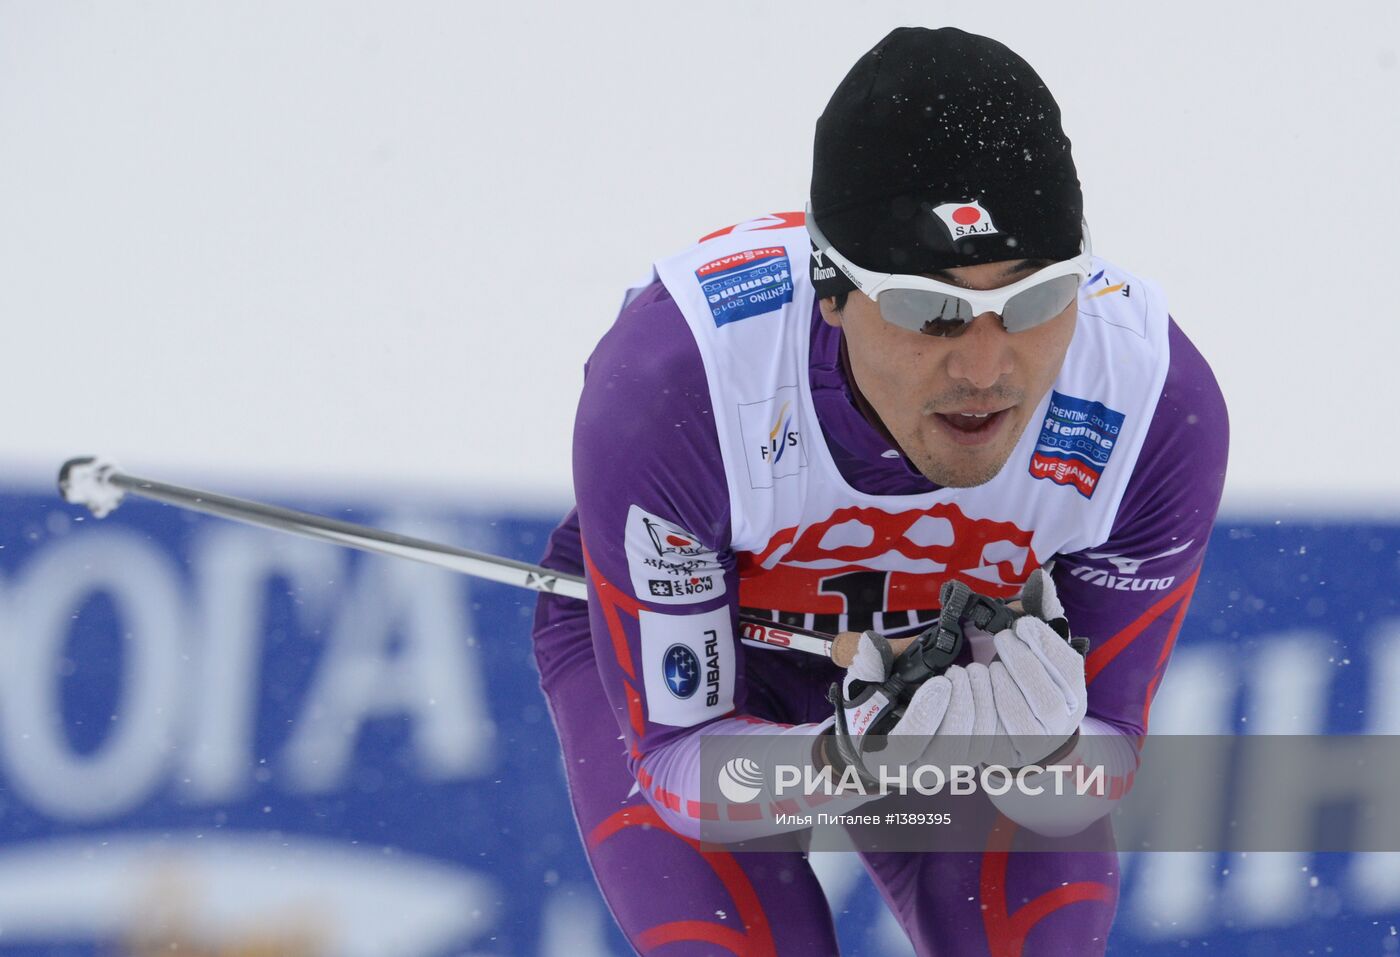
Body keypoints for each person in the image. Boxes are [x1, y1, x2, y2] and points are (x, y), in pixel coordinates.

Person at [532, 26, 1228, 956]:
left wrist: (1047, 755)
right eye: (929, 309)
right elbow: (674, 758)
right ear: (833, 290)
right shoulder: (679, 382)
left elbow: (1105, 756)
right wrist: (848, 757)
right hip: (726, 655)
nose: (986, 366)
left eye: (1034, 299)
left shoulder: (1148, 401)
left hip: (957, 685)